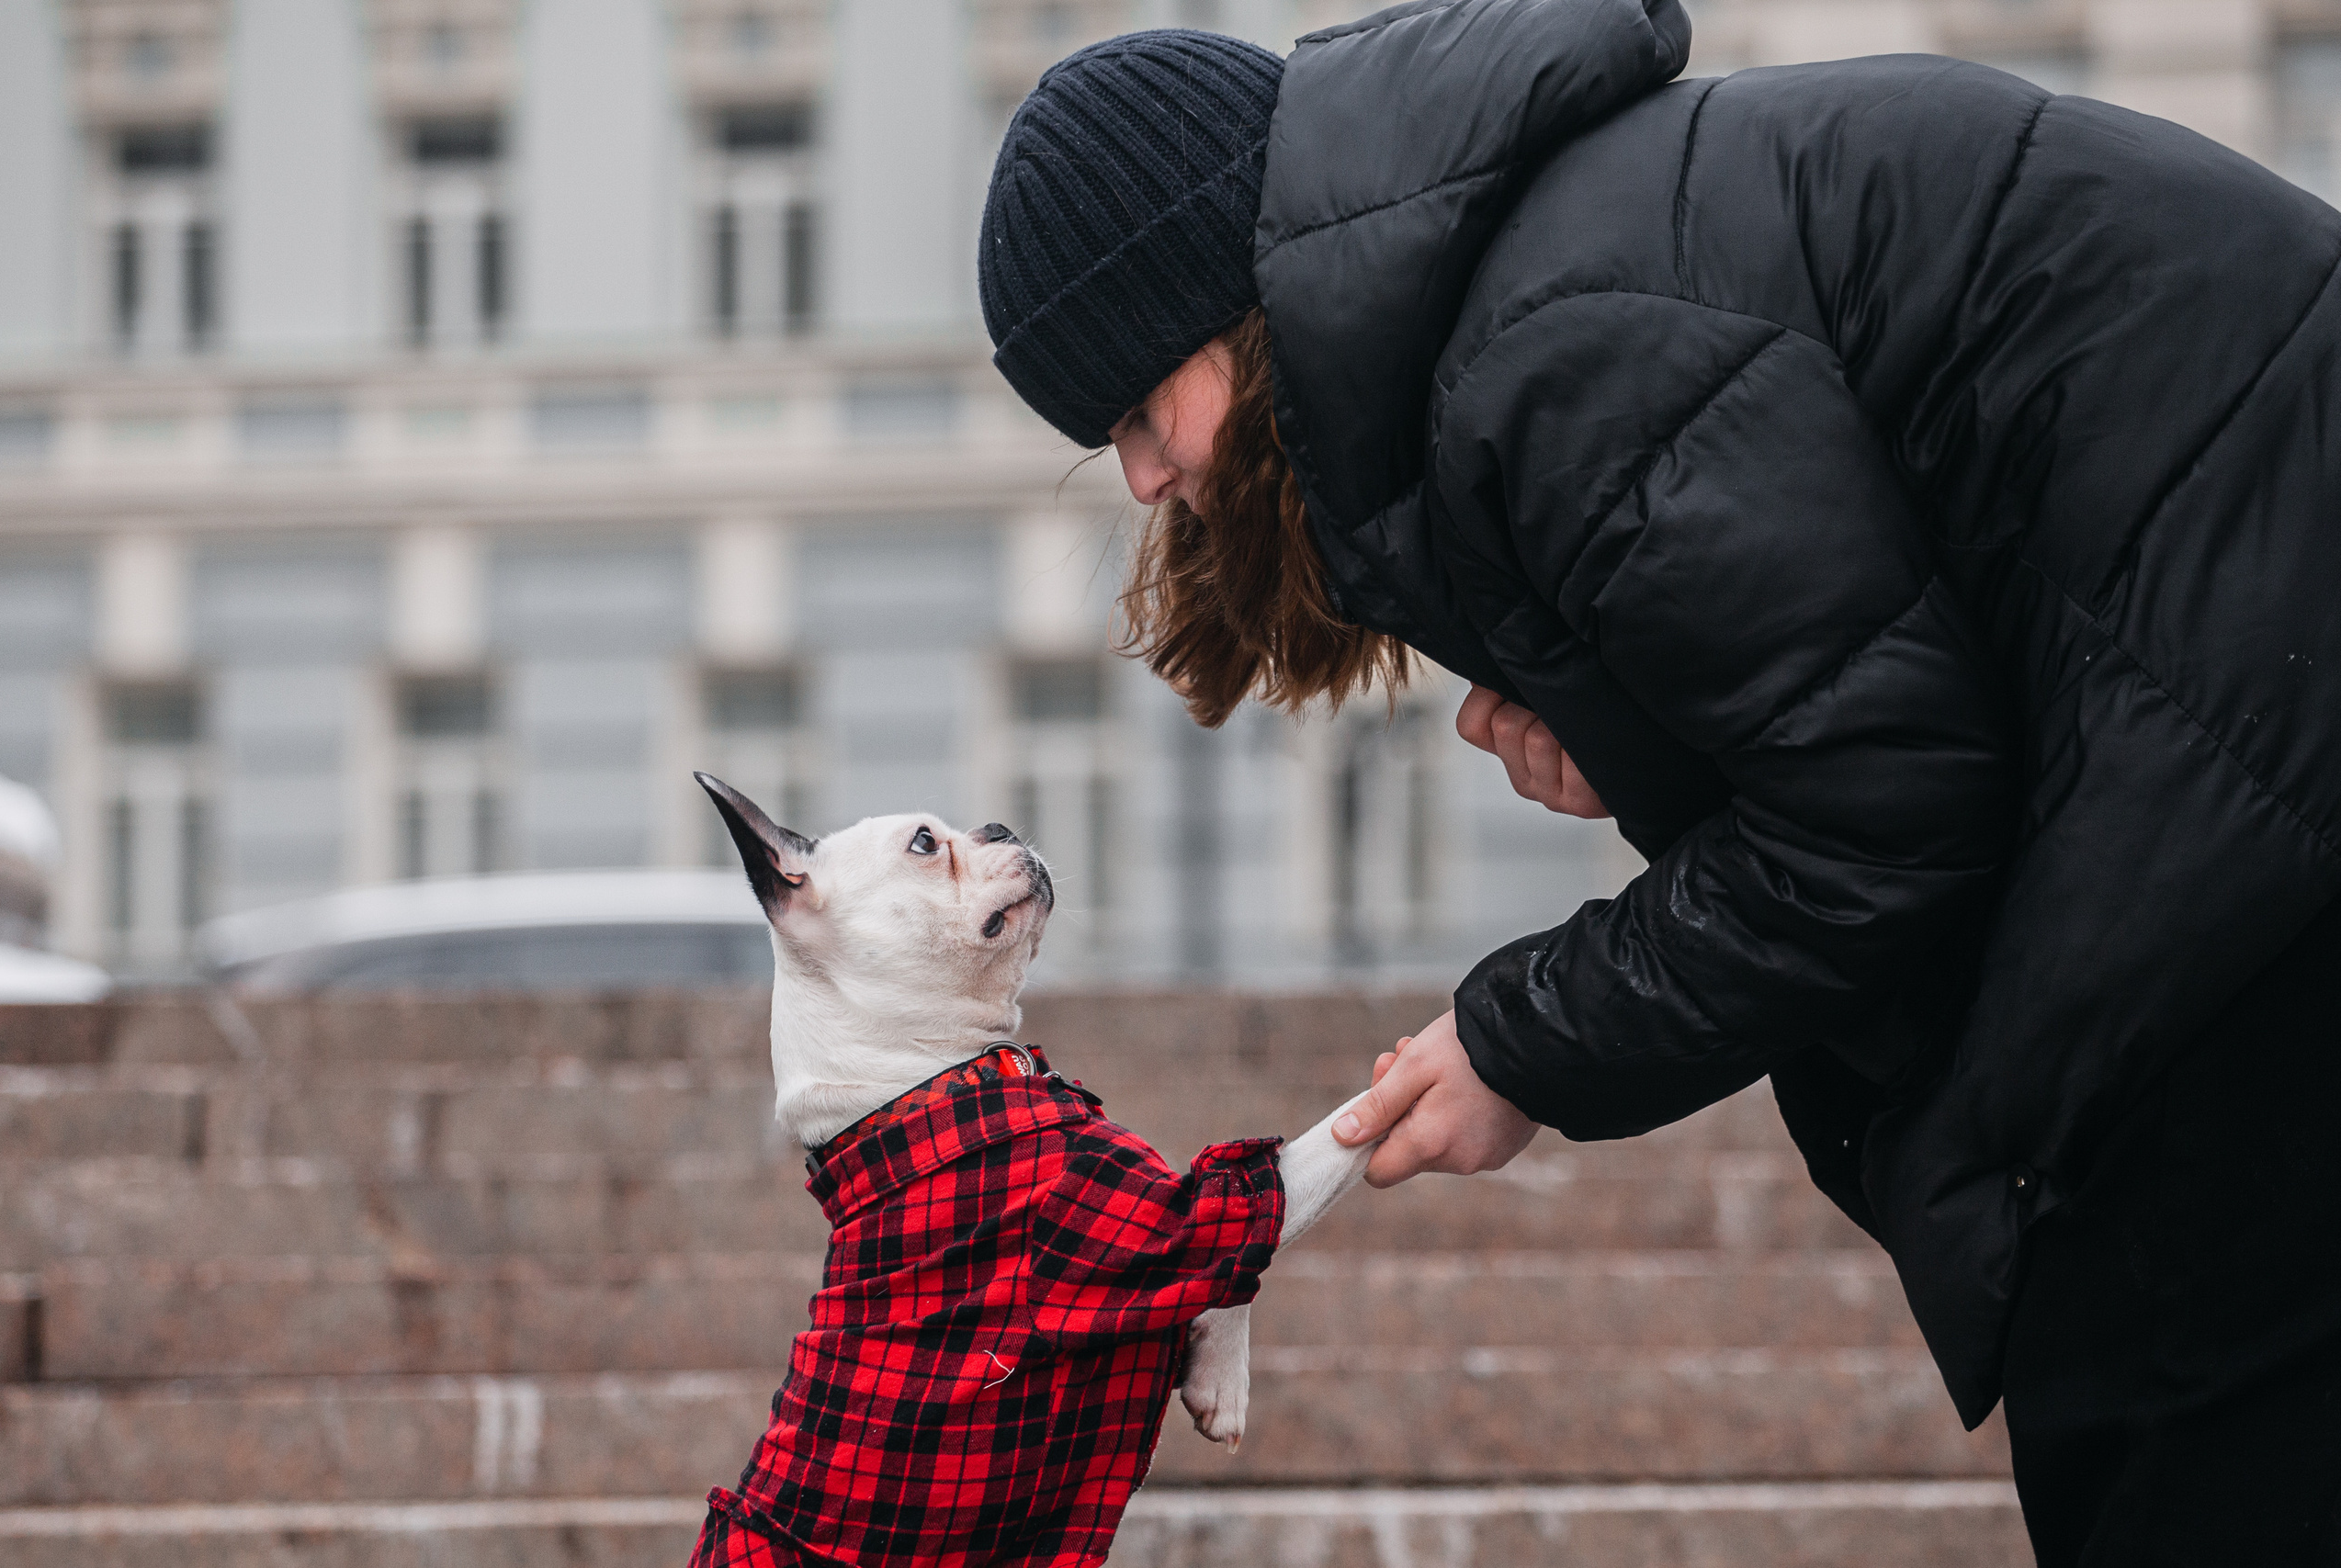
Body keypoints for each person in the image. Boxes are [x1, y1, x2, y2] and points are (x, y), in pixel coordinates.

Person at [976, 6, 2341, 1562]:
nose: (1147, 480)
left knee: (2172, 1407)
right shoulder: (1538, 272)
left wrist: (1526, 1044)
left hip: (2252, 774)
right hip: (2232, 716)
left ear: (1240, 304)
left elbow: (1882, 812)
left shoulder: (1549, 350)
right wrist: (1645, 748)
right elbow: (1870, 692)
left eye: (1143, 412)